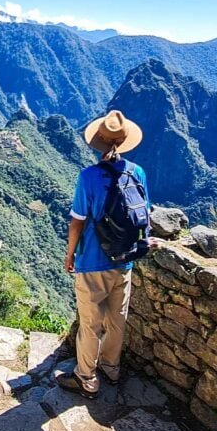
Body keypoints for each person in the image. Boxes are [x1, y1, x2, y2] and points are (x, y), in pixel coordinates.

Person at [57, 109, 151, 398]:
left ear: (97, 141)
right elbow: (145, 213)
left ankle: (86, 377)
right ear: (123, 142)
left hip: (93, 263)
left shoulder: (88, 178)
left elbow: (77, 222)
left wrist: (70, 254)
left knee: (91, 323)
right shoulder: (137, 173)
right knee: (116, 319)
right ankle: (112, 368)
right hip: (125, 260)